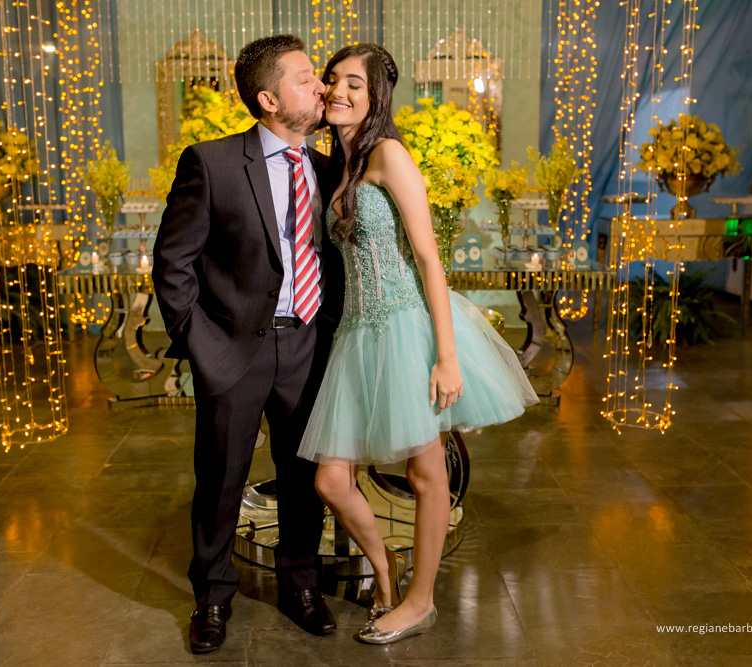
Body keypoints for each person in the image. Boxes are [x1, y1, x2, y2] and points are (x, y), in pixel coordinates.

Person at [297, 43, 539, 645]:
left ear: (378, 96)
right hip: (357, 333)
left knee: (427, 474)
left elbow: (430, 258)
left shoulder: (389, 154)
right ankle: (385, 570)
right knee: (331, 480)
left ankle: (420, 601)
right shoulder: (344, 164)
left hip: (407, 326)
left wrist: (447, 355)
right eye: (332, 81)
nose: (339, 91)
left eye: (355, 83)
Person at [153, 35, 344, 654]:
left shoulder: (326, 166)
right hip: (235, 349)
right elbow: (173, 261)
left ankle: (300, 584)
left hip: (309, 345)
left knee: (303, 475)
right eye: (306, 78)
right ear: (267, 98)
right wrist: (197, 340)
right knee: (221, 479)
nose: (321, 88)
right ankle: (211, 598)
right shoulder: (210, 162)